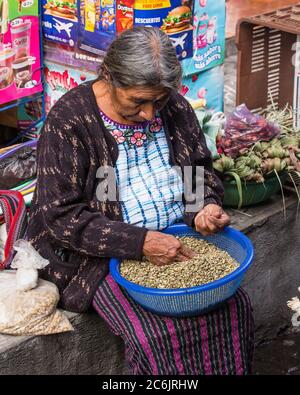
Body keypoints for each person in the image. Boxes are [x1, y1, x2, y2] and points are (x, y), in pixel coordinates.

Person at [27, 26, 254, 375]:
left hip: (178, 237)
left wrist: (202, 206)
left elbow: (196, 168)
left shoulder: (174, 107)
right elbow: (60, 216)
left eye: (157, 101)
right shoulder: (70, 121)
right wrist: (139, 242)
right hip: (104, 257)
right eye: (137, 102)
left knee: (234, 307)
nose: (150, 113)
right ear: (109, 76)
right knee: (157, 333)